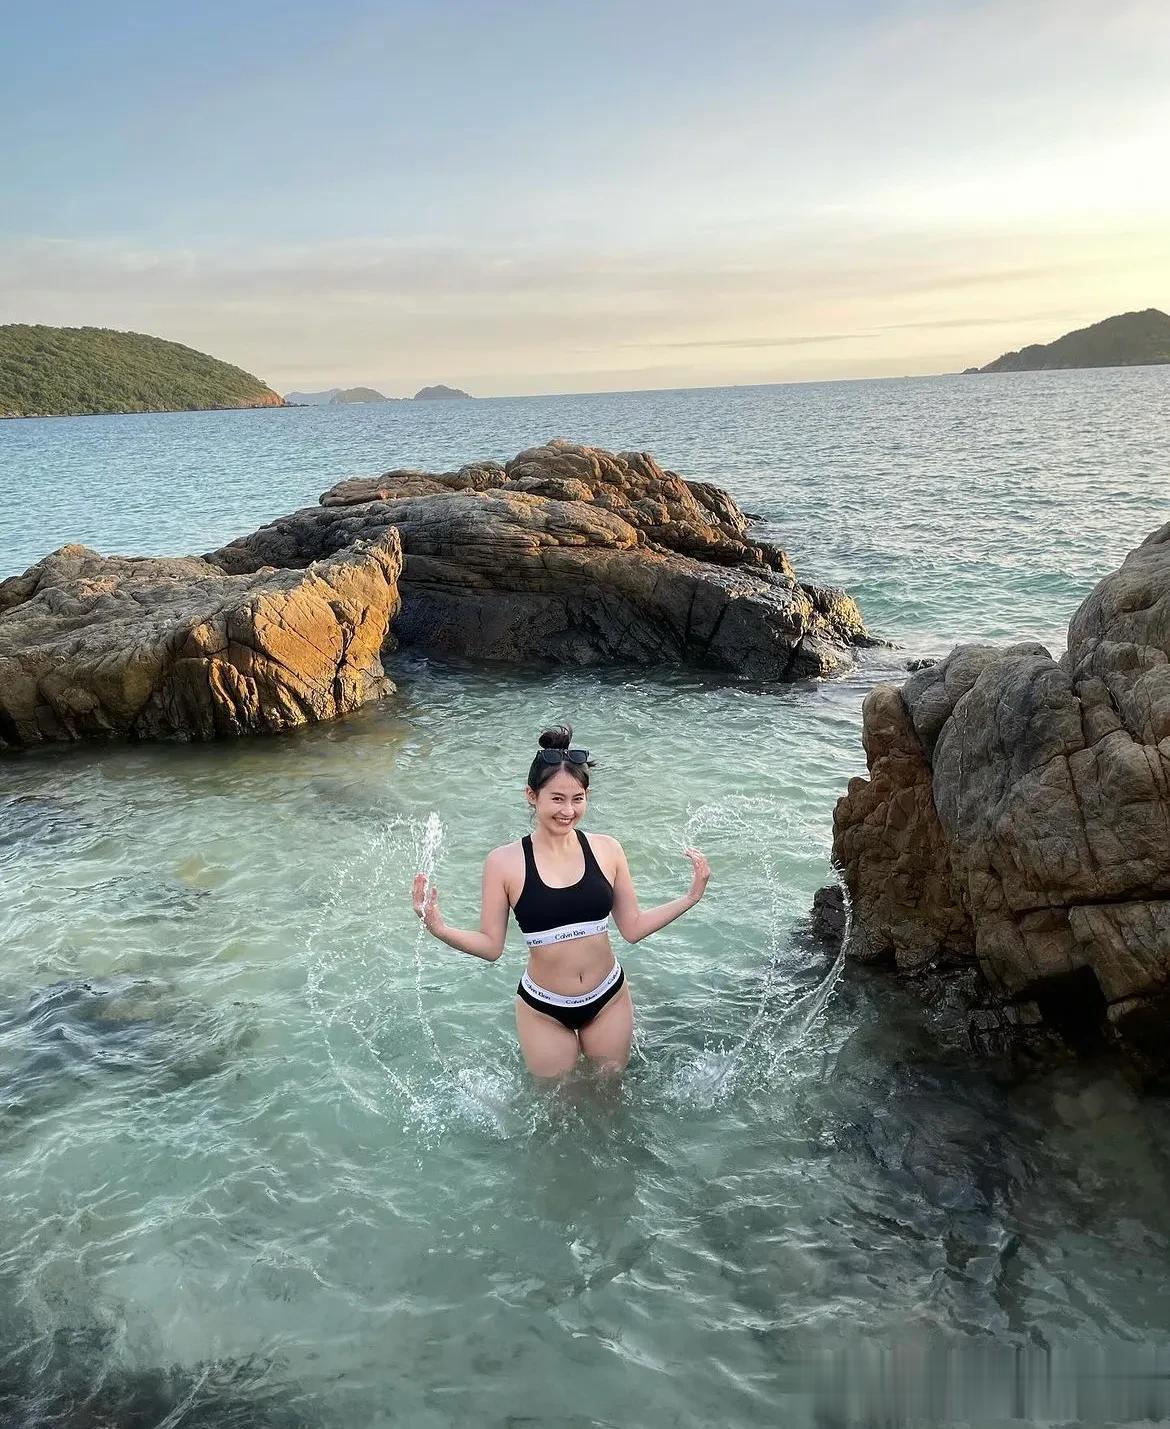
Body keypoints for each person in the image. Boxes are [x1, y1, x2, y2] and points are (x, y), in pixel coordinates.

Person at [411, 724, 711, 1079]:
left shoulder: (607, 849)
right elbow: (491, 947)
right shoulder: (504, 862)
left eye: (577, 799)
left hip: (609, 996)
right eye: (556, 799)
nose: (568, 810)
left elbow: (632, 928)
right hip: (544, 1008)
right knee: (556, 1102)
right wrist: (439, 928)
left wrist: (691, 897)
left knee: (611, 1091)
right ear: (531, 795)